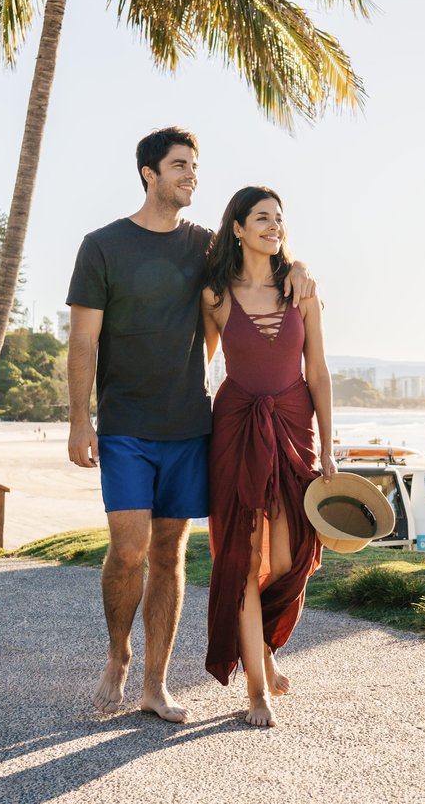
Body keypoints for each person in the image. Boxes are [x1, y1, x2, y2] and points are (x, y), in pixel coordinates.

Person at [66, 129, 316, 723]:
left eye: (195, 167)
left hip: (188, 426)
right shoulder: (102, 246)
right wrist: (81, 420)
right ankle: (118, 655)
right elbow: (83, 339)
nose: (192, 176)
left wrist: (300, 264)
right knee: (128, 551)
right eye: (180, 166)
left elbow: (260, 258)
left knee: (171, 553)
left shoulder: (204, 245)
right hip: (125, 423)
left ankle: (155, 685)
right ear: (148, 174)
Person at [200, 185, 335, 728]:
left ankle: (265, 647)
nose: (272, 226)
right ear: (237, 227)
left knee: (289, 557)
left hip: (293, 426)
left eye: (278, 219)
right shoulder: (214, 296)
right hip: (235, 429)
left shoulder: (301, 288)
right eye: (261, 218)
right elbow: (198, 369)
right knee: (240, 556)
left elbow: (318, 371)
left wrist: (328, 444)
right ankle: (257, 690)